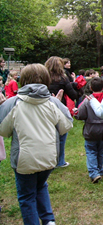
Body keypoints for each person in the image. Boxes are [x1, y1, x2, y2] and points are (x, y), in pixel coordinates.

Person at [0, 63, 73, 225]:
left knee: (27, 196)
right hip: (48, 157)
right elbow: (66, 125)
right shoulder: (52, 103)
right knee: (40, 186)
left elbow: (3, 130)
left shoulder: (13, 103)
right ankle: (48, 221)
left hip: (23, 159)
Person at [46, 56, 78, 168]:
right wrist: (74, 84)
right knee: (61, 134)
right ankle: (60, 161)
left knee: (47, 134)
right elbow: (73, 95)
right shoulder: (63, 78)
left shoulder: (44, 78)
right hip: (59, 107)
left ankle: (48, 160)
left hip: (44, 108)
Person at [74, 77, 103, 183]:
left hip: (91, 130)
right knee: (102, 151)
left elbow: (80, 114)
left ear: (91, 87)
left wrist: (75, 112)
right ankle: (100, 170)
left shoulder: (87, 100)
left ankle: (94, 172)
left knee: (91, 151)